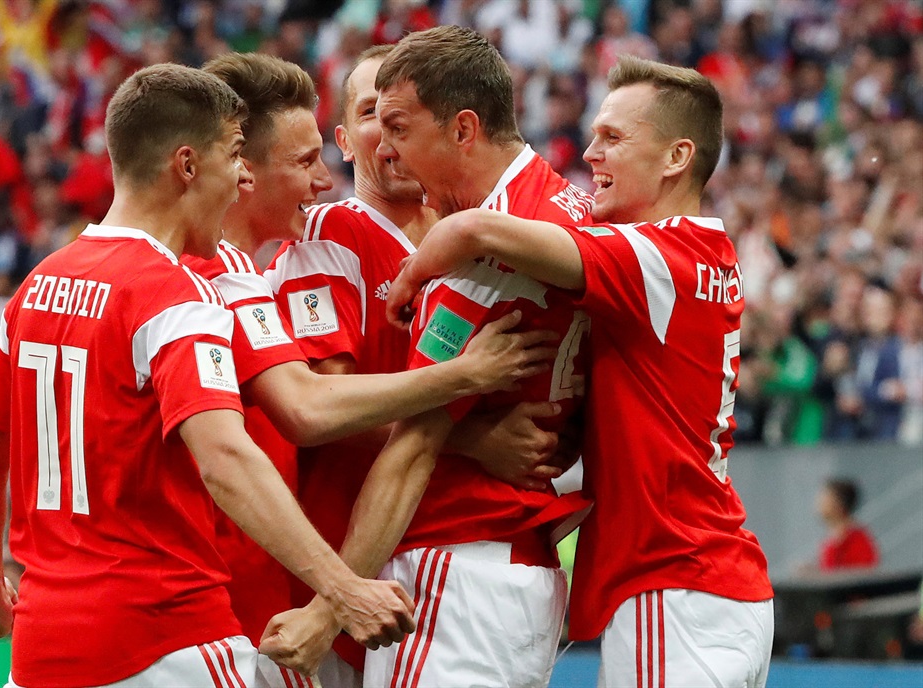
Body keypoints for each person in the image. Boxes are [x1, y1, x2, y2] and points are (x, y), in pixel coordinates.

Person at [0, 63, 419, 688]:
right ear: (187, 165)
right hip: (164, 638)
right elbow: (236, 451)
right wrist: (341, 589)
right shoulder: (175, 292)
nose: (241, 178)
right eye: (234, 158)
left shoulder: (35, 289)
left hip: (43, 649)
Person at [384, 54, 775, 687]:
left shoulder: (653, 258)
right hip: (717, 580)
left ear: (677, 157)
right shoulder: (707, 252)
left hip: (670, 578)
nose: (591, 154)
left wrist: (409, 277)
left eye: (613, 138)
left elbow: (477, 229)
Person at [186, 51, 557, 688]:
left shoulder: (476, 239)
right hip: (324, 575)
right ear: (345, 140)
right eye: (371, 117)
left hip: (368, 576)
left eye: (403, 121)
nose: (388, 138)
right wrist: (468, 421)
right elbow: (314, 406)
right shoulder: (329, 233)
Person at [816, 478, 880, 571]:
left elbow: (863, 572)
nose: (819, 503)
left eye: (824, 498)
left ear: (838, 504)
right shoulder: (834, 538)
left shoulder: (857, 539)